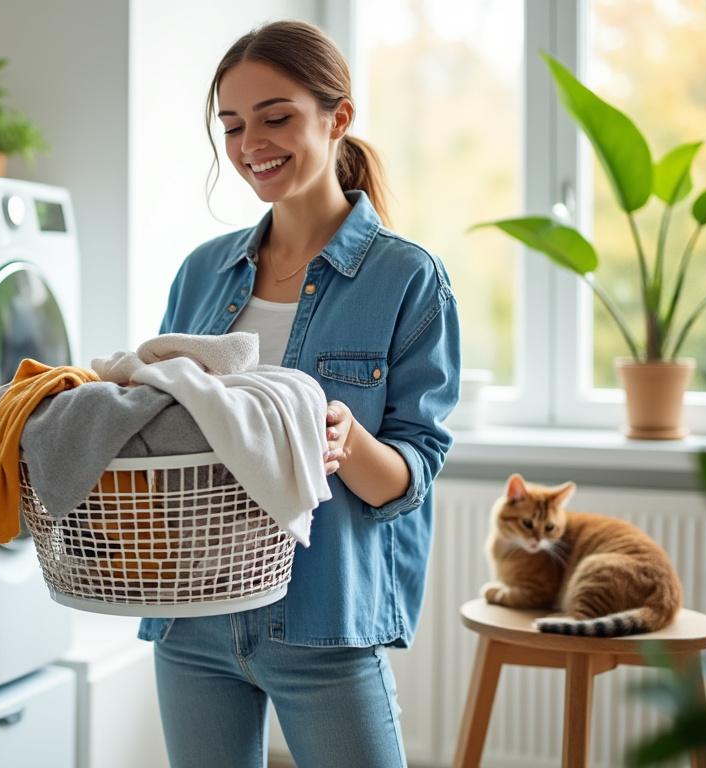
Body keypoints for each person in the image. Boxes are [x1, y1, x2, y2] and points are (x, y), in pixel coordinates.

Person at [138, 20, 461, 767]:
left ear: (337, 117)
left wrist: (348, 442)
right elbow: (151, 414)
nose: (251, 143)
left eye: (275, 116)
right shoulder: (202, 272)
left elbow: (415, 473)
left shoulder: (407, 278)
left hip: (322, 621)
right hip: (192, 618)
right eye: (232, 124)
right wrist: (44, 409)